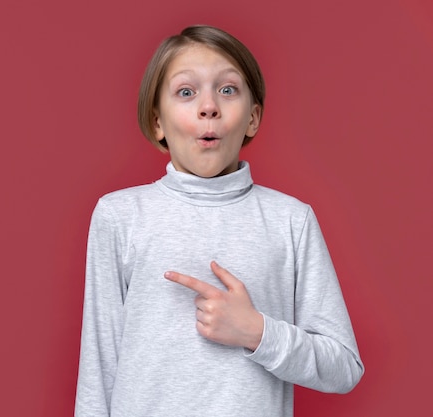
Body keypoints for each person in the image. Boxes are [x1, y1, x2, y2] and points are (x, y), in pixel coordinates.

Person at [75, 25, 364, 417]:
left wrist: (257, 332)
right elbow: (99, 368)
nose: (208, 106)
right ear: (157, 121)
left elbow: (344, 367)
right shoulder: (120, 216)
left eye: (227, 90)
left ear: (252, 118)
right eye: (186, 91)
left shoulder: (291, 221)